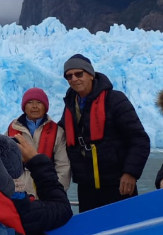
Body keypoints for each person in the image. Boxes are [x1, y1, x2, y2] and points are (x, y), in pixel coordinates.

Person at [58, 54, 151, 212]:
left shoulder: (115, 100)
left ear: (91, 75)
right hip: (87, 187)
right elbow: (58, 137)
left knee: (124, 231)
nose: (74, 79)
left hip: (118, 184)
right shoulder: (70, 105)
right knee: (92, 233)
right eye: (69, 76)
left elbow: (139, 139)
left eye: (79, 74)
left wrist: (130, 173)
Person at [8, 87, 71, 195]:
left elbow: (63, 167)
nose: (34, 106)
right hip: (18, 194)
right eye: (30, 102)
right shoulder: (11, 130)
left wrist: (56, 193)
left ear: (45, 107)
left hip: (46, 191)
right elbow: (5, 164)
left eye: (39, 102)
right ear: (24, 107)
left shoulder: (58, 132)